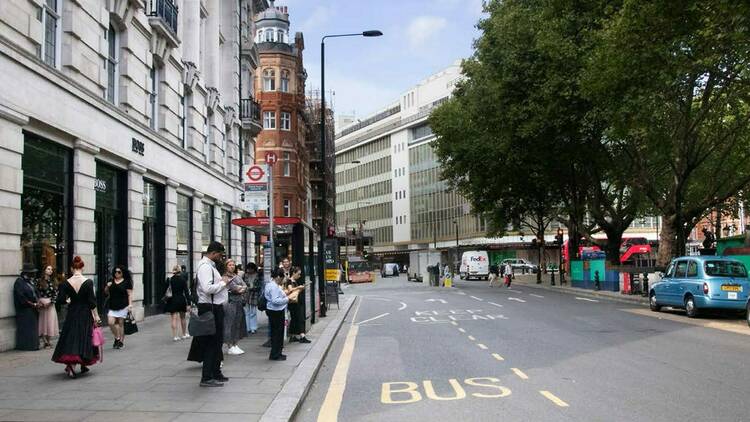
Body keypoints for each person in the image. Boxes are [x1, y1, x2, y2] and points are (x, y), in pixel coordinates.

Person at [187, 241, 232, 387]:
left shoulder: (210, 266)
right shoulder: (205, 267)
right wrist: (223, 283)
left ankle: (215, 372)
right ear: (213, 253)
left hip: (214, 307)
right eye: (220, 254)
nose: (221, 258)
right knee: (211, 343)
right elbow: (207, 288)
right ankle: (206, 377)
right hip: (209, 307)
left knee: (217, 342)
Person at [52, 256, 101, 378]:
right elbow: (92, 302)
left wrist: (69, 301)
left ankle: (72, 364)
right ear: (82, 267)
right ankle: (78, 363)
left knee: (71, 336)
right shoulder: (88, 282)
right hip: (85, 313)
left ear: (72, 268)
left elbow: (61, 300)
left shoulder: (66, 283)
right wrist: (96, 316)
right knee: (83, 337)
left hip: (73, 312)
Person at [104, 265, 133, 349]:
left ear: (122, 273)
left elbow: (129, 294)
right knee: (110, 322)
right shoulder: (111, 281)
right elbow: (106, 292)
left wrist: (130, 304)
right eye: (115, 272)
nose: (117, 273)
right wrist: (107, 286)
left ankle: (121, 342)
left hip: (123, 305)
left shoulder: (127, 282)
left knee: (120, 324)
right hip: (112, 305)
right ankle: (117, 337)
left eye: (119, 272)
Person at [223, 259, 247, 355]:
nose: (232, 266)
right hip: (230, 302)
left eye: (233, 265)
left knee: (238, 323)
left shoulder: (236, 276)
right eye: (230, 265)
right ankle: (229, 345)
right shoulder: (225, 277)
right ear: (226, 266)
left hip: (239, 302)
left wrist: (241, 288)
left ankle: (235, 343)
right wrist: (240, 288)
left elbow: (245, 286)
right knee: (230, 324)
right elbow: (234, 288)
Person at [14, 263, 39, 351]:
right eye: (31, 273)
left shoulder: (30, 282)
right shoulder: (19, 282)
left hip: (33, 308)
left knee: (33, 327)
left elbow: (35, 292)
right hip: (25, 309)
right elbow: (20, 297)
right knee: (26, 327)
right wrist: (31, 304)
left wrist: (37, 302)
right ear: (26, 273)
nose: (33, 274)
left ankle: (34, 345)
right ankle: (26, 345)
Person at [265, 268, 289, 361]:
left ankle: (277, 353)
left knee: (277, 333)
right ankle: (275, 354)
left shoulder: (270, 284)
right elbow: (275, 300)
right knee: (277, 334)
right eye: (282, 277)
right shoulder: (274, 286)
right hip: (276, 311)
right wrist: (287, 299)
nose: (283, 280)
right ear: (278, 277)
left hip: (273, 310)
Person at [164, 265, 190, 341]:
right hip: (181, 300)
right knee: (183, 318)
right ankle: (184, 334)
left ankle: (175, 336)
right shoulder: (183, 280)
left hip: (172, 300)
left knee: (174, 318)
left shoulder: (170, 280)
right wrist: (188, 303)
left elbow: (166, 290)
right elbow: (186, 292)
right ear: (180, 271)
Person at [36, 265, 59, 348]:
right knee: (43, 322)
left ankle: (48, 340)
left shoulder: (54, 281)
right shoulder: (39, 281)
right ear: (44, 270)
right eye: (48, 269)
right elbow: (36, 292)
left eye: (51, 269)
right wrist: (40, 302)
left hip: (51, 304)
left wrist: (51, 302)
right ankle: (45, 341)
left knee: (50, 322)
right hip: (42, 303)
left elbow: (56, 293)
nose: (50, 271)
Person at [284, 267, 309, 344]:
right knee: (299, 318)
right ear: (293, 273)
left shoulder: (294, 281)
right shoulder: (289, 281)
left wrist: (302, 288)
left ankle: (292, 336)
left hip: (297, 302)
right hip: (294, 304)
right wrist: (299, 287)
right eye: (298, 274)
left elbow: (296, 291)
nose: (299, 276)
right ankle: (302, 336)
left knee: (294, 319)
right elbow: (290, 290)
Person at [243, 263, 261, 334]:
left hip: (254, 294)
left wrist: (253, 288)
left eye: (251, 268)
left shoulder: (257, 275)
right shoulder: (245, 275)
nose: (249, 270)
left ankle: (253, 328)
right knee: (247, 312)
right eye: (248, 268)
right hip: (246, 294)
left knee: (253, 312)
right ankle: (248, 328)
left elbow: (259, 285)